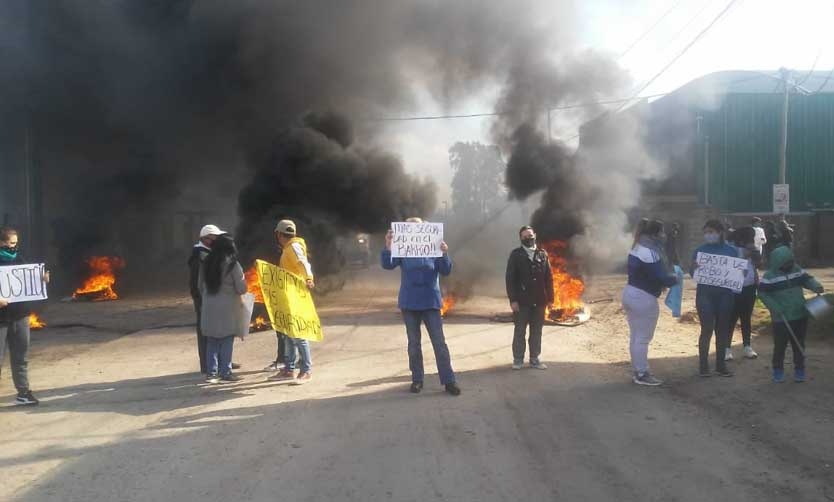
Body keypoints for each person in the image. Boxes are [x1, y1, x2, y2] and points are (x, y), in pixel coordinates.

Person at [381, 217, 460, 396]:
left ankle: (449, 381)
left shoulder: (433, 247)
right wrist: (388, 245)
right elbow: (387, 265)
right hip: (409, 302)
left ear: (425, 230)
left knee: (439, 343)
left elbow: (446, 270)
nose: (414, 231)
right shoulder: (402, 249)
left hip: (431, 301)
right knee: (414, 344)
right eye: (410, 228)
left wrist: (445, 253)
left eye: (417, 228)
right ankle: (417, 379)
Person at [622, 219, 678, 386]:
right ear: (654, 234)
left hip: (630, 293)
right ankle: (642, 373)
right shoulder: (650, 252)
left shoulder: (637, 247)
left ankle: (638, 370)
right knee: (643, 338)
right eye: (661, 232)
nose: (664, 235)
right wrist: (676, 278)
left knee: (636, 336)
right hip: (644, 297)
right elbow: (662, 278)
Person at [758, 246, 823, 383]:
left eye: (791, 261)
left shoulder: (797, 270)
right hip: (781, 318)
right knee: (780, 346)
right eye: (786, 262)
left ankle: (800, 369)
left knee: (799, 344)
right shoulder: (769, 277)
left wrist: (815, 285)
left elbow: (807, 279)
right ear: (778, 262)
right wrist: (774, 307)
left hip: (799, 314)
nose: (789, 264)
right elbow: (763, 294)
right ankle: (778, 370)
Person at [0, 226, 49, 405]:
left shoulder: (21, 258)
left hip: (20, 315)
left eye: (16, 243)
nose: (14, 247)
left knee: (21, 356)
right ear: (1, 242)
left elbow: (31, 277)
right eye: (11, 243)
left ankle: (23, 392)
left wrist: (42, 279)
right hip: (1, 319)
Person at [268, 219, 316, 385]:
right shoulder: (288, 248)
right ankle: (289, 369)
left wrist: (309, 278)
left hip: (296, 296)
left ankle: (306, 370)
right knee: (288, 333)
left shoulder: (294, 247)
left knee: (298, 334)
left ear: (279, 234)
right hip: (288, 296)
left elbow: (303, 262)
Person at [690, 220, 738, 377]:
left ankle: (720, 366)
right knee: (707, 329)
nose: (708, 235)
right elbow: (692, 273)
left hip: (725, 295)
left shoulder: (732, 251)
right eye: (706, 232)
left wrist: (740, 274)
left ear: (720, 232)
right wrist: (694, 269)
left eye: (711, 231)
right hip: (705, 295)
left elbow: (737, 273)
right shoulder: (699, 251)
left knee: (722, 330)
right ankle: (703, 367)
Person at [198, 234, 247, 383]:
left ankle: (211, 374)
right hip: (228, 309)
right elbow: (241, 288)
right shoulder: (233, 265)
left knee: (212, 341)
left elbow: (199, 286)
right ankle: (225, 372)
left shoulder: (205, 262)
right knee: (226, 340)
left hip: (208, 307)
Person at [505, 225, 554, 371]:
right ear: (521, 238)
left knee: (536, 331)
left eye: (530, 235)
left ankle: (535, 359)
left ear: (535, 235)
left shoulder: (542, 254)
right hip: (522, 301)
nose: (528, 238)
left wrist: (551, 299)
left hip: (540, 301)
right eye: (525, 236)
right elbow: (510, 279)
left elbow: (549, 278)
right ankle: (518, 360)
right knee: (520, 330)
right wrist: (512, 300)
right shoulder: (515, 255)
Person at [189, 224, 225, 375]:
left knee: (217, 331)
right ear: (206, 239)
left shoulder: (207, 253)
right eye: (214, 238)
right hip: (205, 301)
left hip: (211, 299)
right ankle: (207, 365)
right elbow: (198, 284)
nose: (217, 241)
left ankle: (221, 362)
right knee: (207, 333)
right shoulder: (200, 256)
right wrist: (204, 302)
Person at [726, 227, 760, 361]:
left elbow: (758, 262)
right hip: (734, 289)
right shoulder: (731, 248)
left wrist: (752, 252)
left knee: (746, 318)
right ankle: (726, 348)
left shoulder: (752, 249)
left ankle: (747, 346)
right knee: (731, 318)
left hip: (749, 287)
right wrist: (743, 255)